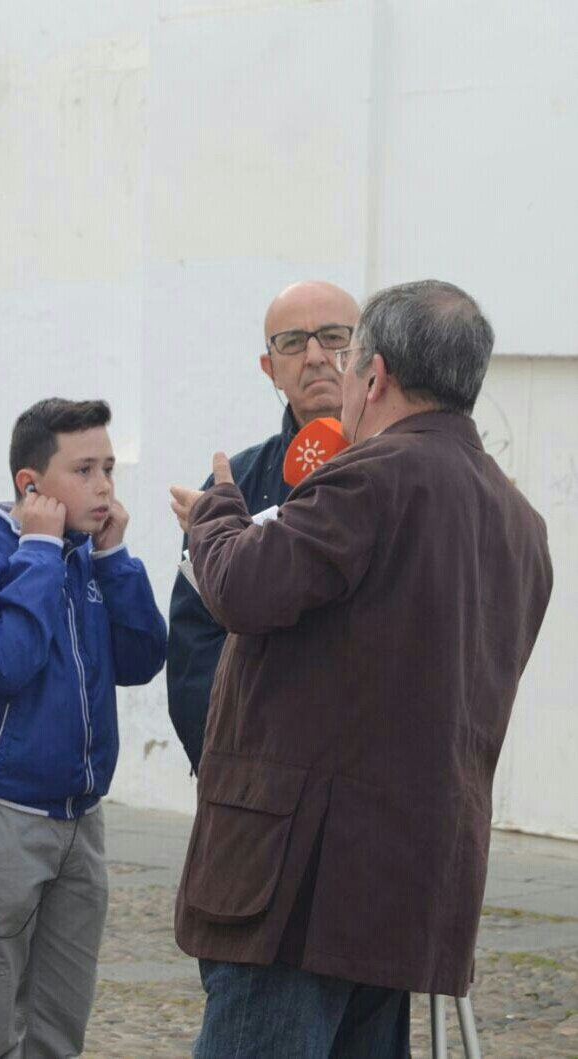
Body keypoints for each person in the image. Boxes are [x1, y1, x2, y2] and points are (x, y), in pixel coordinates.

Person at [169, 280, 553, 1058]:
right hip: (409, 885)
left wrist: (215, 512)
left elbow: (243, 584)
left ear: (372, 377)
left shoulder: (373, 475)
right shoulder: (521, 523)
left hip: (301, 888)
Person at [0, 398, 167, 1057]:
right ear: (30, 484)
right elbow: (7, 661)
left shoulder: (90, 557)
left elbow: (144, 657)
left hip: (78, 818)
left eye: (109, 468)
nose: (105, 486)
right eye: (85, 469)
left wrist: (116, 558)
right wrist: (36, 547)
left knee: (59, 1024)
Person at [167, 280, 359, 772]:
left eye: (335, 337)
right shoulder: (236, 484)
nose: (315, 355)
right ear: (269, 368)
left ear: (366, 355)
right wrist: (224, 757)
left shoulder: (404, 475)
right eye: (293, 342)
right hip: (257, 771)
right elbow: (196, 638)